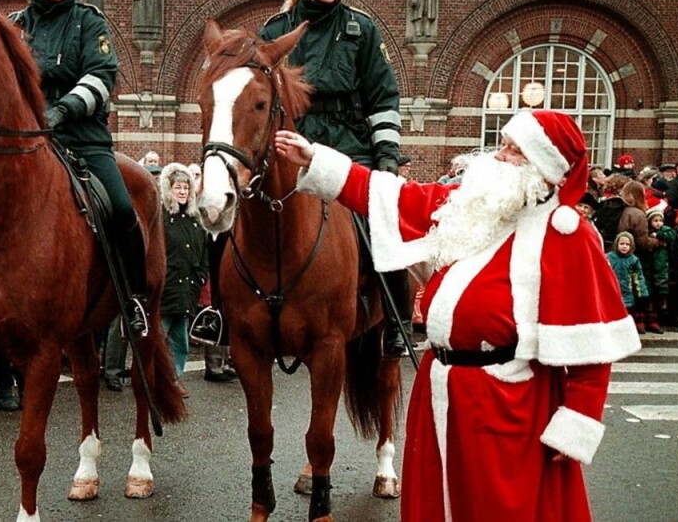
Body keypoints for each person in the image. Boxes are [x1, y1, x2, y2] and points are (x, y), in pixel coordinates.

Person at [275, 109, 641, 520]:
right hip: (441, 391)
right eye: (503, 145)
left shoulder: (564, 233)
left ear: (545, 170)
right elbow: (394, 197)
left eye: (514, 151)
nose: (499, 156)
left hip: (509, 402)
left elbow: (590, 348)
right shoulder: (475, 205)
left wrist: (573, 427)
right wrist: (316, 160)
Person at [193, 0, 411, 357]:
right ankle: (221, 313)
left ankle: (396, 321)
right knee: (230, 216)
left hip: (348, 146)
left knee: (380, 220)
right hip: (292, 143)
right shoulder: (276, 30)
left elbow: (383, 98)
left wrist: (387, 159)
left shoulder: (362, 30)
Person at [10, 0, 149, 335]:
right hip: (26, 141)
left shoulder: (90, 21)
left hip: (83, 139)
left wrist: (63, 110)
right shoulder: (14, 25)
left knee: (121, 207)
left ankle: (135, 297)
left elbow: (102, 77)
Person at [159, 164, 209, 396]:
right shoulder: (161, 218)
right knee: (158, 338)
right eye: (178, 187)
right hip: (166, 288)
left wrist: (199, 278)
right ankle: (154, 378)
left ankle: (174, 378)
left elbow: (203, 254)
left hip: (188, 289)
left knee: (181, 341)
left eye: (185, 188)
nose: (182, 192)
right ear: (169, 189)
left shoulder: (195, 220)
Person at [607, 232, 650, 334]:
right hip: (612, 290)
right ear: (616, 244)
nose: (624, 247)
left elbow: (638, 277)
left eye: (627, 244)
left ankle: (627, 327)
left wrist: (642, 292)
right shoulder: (609, 257)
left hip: (628, 290)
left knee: (628, 309)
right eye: (622, 244)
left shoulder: (633, 260)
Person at [644, 209, 676, 332]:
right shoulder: (647, 231)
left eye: (660, 220)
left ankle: (661, 306)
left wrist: (659, 236)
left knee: (661, 285)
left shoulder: (665, 230)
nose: (658, 223)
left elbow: (671, 236)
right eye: (655, 221)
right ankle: (651, 314)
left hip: (662, 264)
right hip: (652, 263)